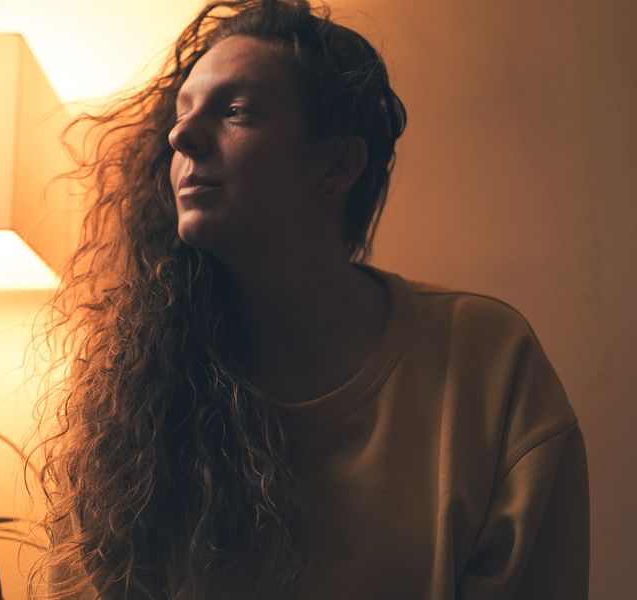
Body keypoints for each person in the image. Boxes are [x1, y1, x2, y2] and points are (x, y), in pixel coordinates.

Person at [31, 1, 590, 599]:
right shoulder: (132, 389)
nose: (180, 134)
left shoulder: (486, 362)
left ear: (337, 164)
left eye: (236, 110)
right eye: (182, 112)